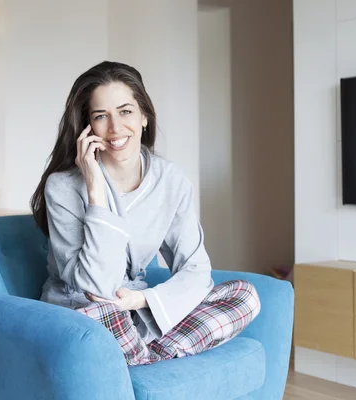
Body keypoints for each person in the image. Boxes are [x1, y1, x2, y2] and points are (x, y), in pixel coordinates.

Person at [30, 61, 261, 366]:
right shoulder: (62, 187)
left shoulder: (170, 180)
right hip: (84, 312)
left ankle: (141, 357)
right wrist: (95, 191)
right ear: (88, 128)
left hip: (138, 312)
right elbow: (95, 287)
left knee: (245, 296)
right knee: (100, 315)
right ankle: (145, 356)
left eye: (125, 111)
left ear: (144, 117)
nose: (115, 127)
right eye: (101, 116)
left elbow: (195, 269)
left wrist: (142, 300)